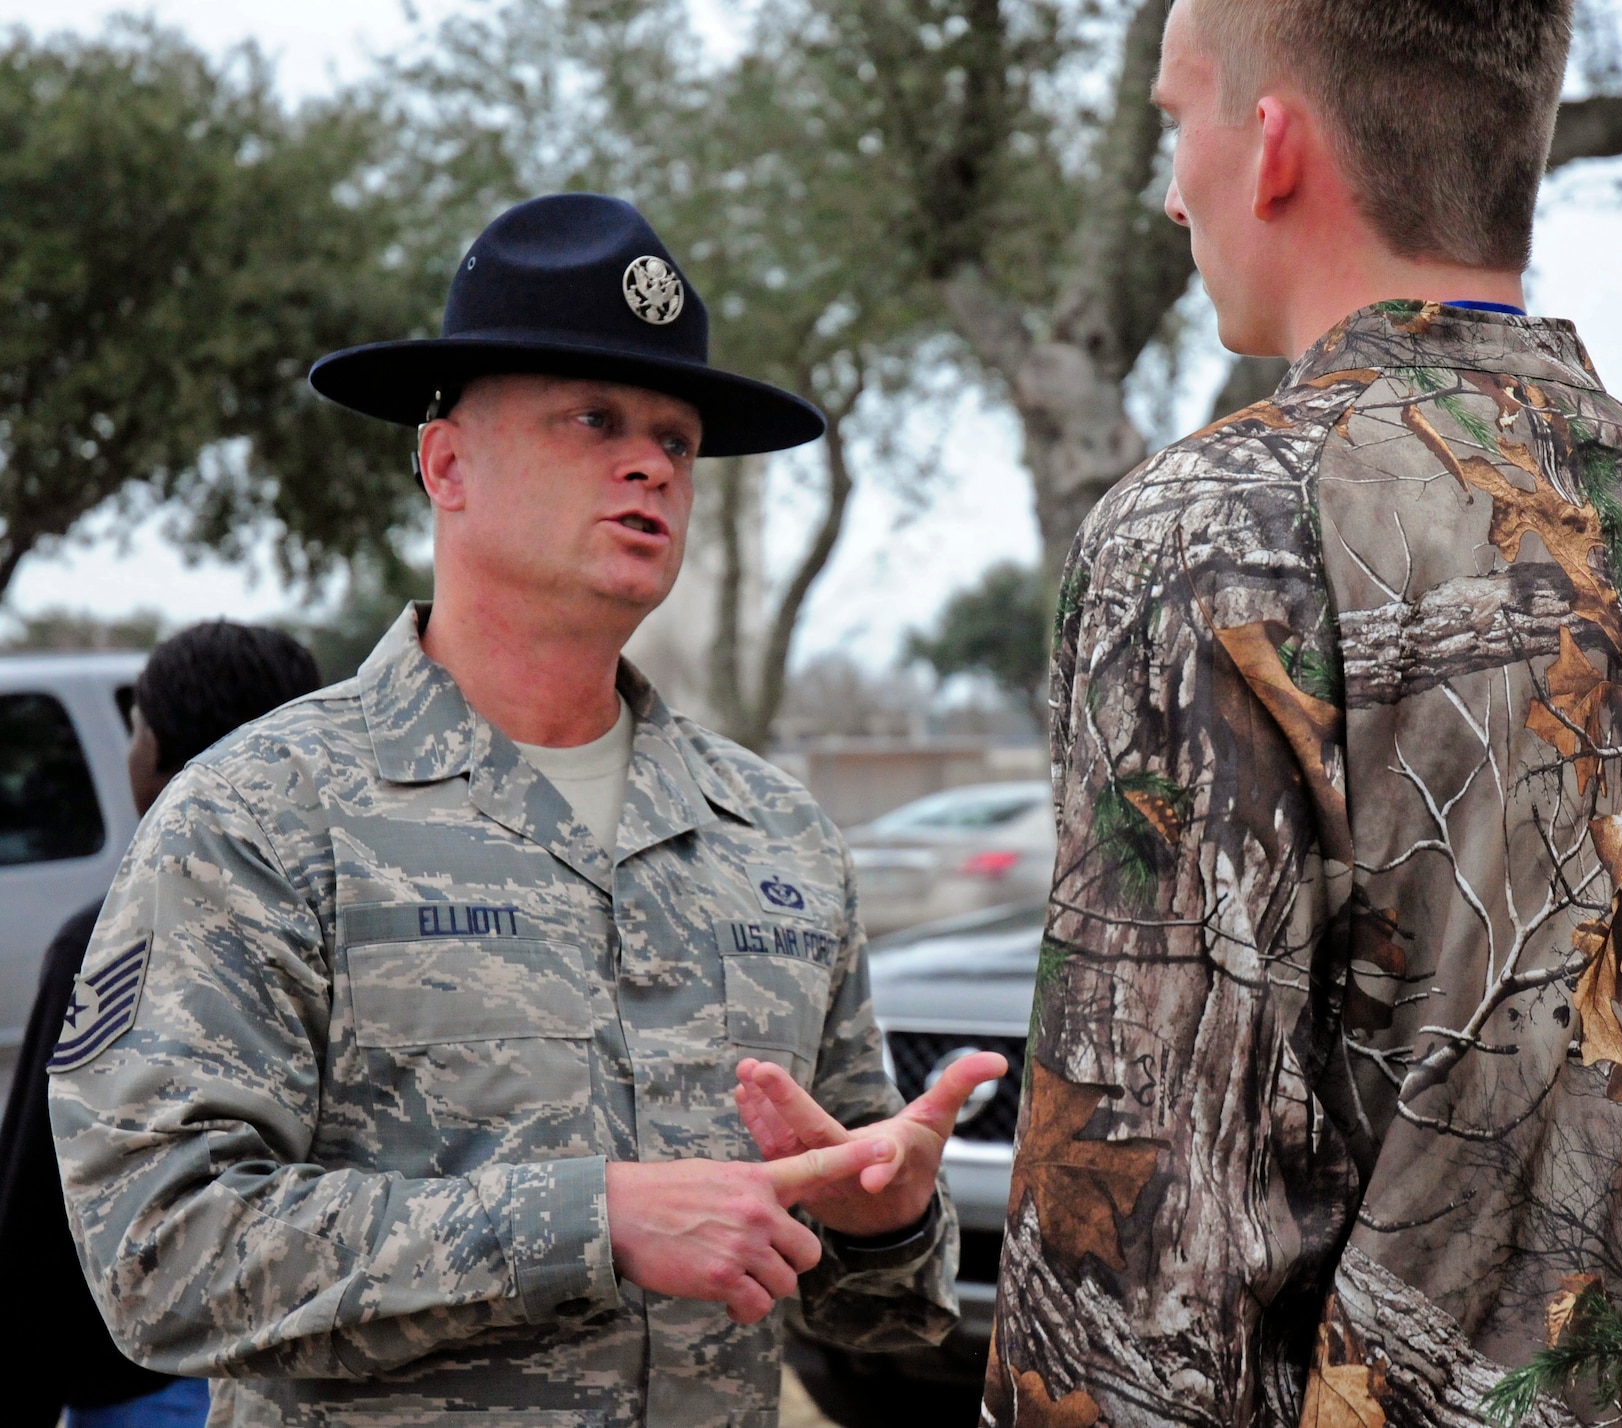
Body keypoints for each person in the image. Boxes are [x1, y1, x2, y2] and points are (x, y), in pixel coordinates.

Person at [979, 2, 1622, 1424]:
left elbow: (1143, 1231)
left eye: (1174, 122)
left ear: (1269, 145)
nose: (1170, 187)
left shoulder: (1219, 534)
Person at [50, 192, 1005, 1426]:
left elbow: (877, 1322)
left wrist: (883, 1224)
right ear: (445, 464)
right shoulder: (266, 814)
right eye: (593, 418)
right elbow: (158, 1258)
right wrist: (591, 1216)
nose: (651, 462)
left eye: (676, 435)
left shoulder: (775, 836)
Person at [0, 621, 322, 1428]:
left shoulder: (115, 933)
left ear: (164, 754)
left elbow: (44, 1196)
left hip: (151, 1376)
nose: (129, 750)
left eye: (137, 727)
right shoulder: (354, 921)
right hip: (313, 1364)